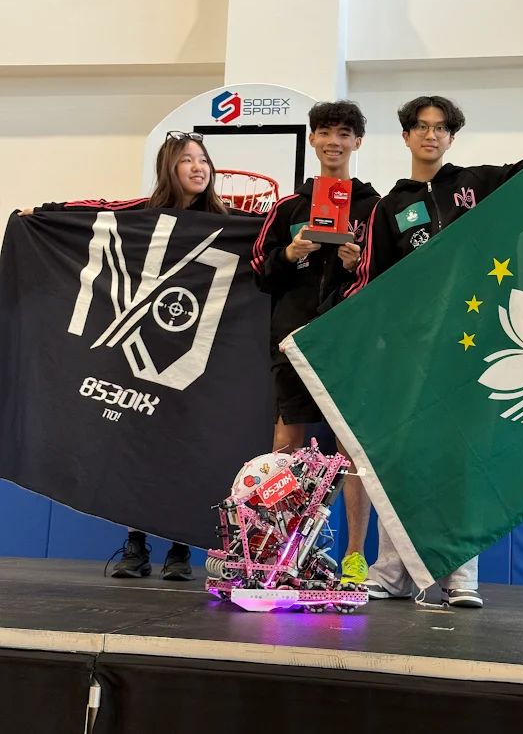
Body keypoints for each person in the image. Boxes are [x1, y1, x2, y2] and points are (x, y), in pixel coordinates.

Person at [346, 95, 523, 607]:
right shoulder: (388, 208)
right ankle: (392, 574)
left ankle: (460, 577)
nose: (431, 135)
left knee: (462, 461)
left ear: (452, 137)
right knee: (401, 461)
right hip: (411, 356)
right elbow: (371, 285)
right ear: (406, 136)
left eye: (441, 127)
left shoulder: (478, 183)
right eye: (422, 127)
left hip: (472, 348)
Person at [20, 130, 227, 580]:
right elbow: (95, 213)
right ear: (169, 167)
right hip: (138, 352)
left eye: (203, 160)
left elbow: (272, 242)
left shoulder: (229, 222)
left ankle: (180, 550)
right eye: (187, 160)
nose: (198, 167)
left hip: (194, 362)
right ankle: (135, 546)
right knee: (138, 451)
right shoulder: (143, 213)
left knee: (184, 453)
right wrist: (44, 214)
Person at [251, 101, 380, 585]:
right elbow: (259, 273)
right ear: (312, 140)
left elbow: (391, 277)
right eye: (325, 132)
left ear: (357, 142)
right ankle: (280, 552)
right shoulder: (288, 208)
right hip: (293, 341)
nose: (334, 142)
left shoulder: (375, 207)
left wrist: (357, 266)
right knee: (286, 444)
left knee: (352, 450)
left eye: (344, 133)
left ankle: (354, 556)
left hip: (352, 342)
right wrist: (289, 253)